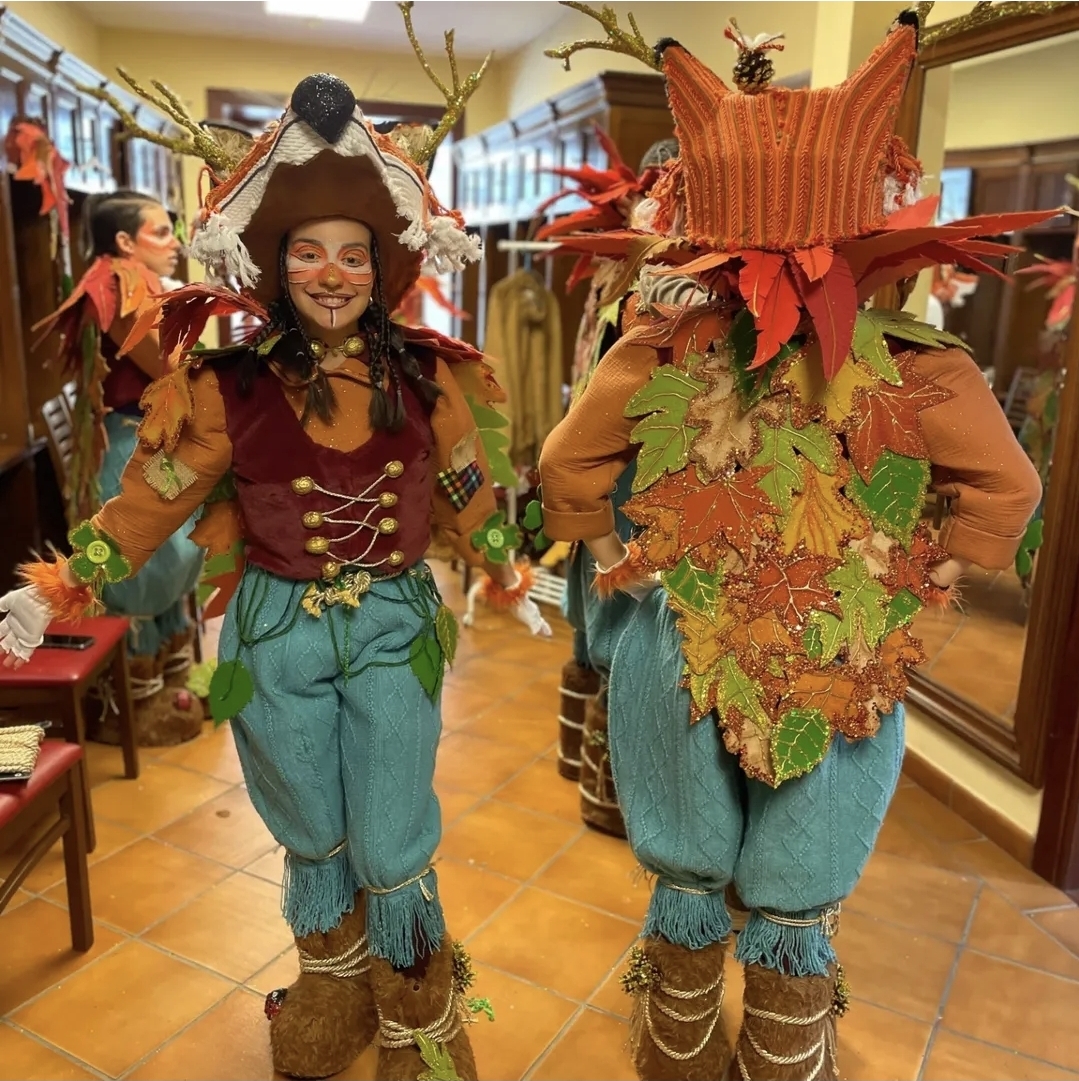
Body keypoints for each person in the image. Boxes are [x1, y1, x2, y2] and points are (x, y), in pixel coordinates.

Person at [0, 59, 547, 1081]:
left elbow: (466, 485)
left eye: (353, 254)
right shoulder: (221, 387)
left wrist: (510, 568)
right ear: (277, 265)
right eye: (308, 252)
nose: (332, 273)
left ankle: (420, 1016)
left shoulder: (430, 378)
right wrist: (60, 584)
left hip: (396, 624)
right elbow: (149, 499)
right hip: (271, 634)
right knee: (309, 827)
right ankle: (333, 987)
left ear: (380, 268)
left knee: (390, 835)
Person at [538, 10, 1052, 1079]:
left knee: (685, 843)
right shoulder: (924, 366)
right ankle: (781, 1041)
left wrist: (605, 551)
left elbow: (566, 465)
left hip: (685, 626)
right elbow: (1008, 484)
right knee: (809, 843)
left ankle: (679, 1035)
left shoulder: (660, 346)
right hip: (841, 637)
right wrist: (950, 559)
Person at [33, 190, 205, 745]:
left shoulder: (137, 280)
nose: (175, 243)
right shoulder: (116, 284)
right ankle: (137, 699)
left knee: (181, 542)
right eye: (162, 231)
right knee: (153, 554)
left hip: (152, 437)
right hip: (132, 444)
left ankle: (169, 679)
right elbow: (170, 364)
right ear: (126, 242)